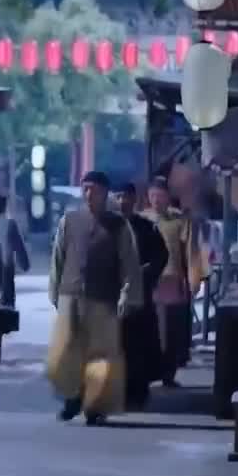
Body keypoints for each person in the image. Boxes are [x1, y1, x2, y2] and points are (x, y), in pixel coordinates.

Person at [46, 171, 143, 426]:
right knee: (67, 351)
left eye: (95, 190)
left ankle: (96, 406)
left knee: (101, 355)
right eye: (86, 189)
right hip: (71, 294)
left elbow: (129, 263)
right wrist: (55, 290)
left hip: (104, 298)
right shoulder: (69, 220)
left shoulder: (118, 225)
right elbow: (58, 257)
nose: (90, 194)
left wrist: (127, 295)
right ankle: (72, 399)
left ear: (105, 193)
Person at [114, 182, 168, 410]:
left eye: (126, 197)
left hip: (139, 296)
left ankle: (138, 392)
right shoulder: (106, 227)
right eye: (119, 196)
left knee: (138, 345)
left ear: (134, 200)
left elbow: (161, 256)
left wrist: (146, 274)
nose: (123, 201)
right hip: (112, 296)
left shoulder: (146, 228)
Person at [145, 177, 193, 387]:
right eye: (152, 195)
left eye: (160, 196)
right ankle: (149, 371)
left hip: (172, 278)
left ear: (167, 197)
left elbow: (187, 253)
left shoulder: (179, 221)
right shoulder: (142, 220)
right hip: (150, 280)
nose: (156, 200)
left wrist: (188, 279)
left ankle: (168, 373)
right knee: (151, 328)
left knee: (172, 330)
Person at [0, 193, 30, 307]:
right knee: (7, 292)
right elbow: (19, 245)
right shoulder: (10, 223)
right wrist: (24, 263)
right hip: (5, 263)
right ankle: (6, 308)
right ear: (5, 206)